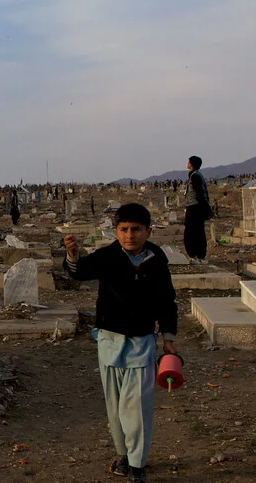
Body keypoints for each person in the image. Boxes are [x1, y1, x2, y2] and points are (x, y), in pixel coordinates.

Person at [63, 203, 177, 483]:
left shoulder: (157, 259)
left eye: (136, 229)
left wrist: (169, 339)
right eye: (123, 229)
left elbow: (167, 301)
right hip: (109, 341)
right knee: (114, 406)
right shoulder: (109, 255)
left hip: (141, 342)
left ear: (148, 231)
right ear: (116, 231)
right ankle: (123, 456)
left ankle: (137, 465)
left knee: (136, 405)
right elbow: (79, 271)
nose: (130, 235)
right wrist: (72, 255)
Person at [183, 155, 210, 262]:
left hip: (195, 208)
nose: (187, 163)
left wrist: (204, 208)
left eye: (188, 162)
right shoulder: (195, 175)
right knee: (196, 231)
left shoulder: (195, 176)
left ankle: (196, 254)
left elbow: (199, 193)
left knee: (192, 232)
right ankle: (197, 254)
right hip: (195, 207)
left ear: (192, 164)